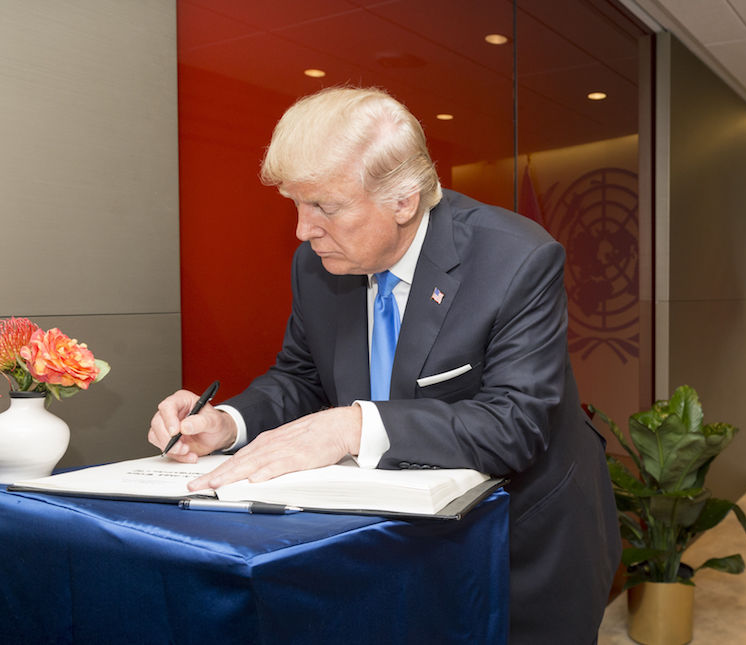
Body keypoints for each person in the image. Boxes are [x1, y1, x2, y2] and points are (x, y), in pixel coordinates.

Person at [148, 87, 621, 643]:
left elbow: (514, 424)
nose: (302, 230)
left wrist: (352, 425)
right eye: (295, 204)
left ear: (404, 199)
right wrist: (228, 423)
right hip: (387, 545)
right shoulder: (317, 264)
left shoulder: (515, 259)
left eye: (324, 206)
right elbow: (301, 376)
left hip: (521, 543)